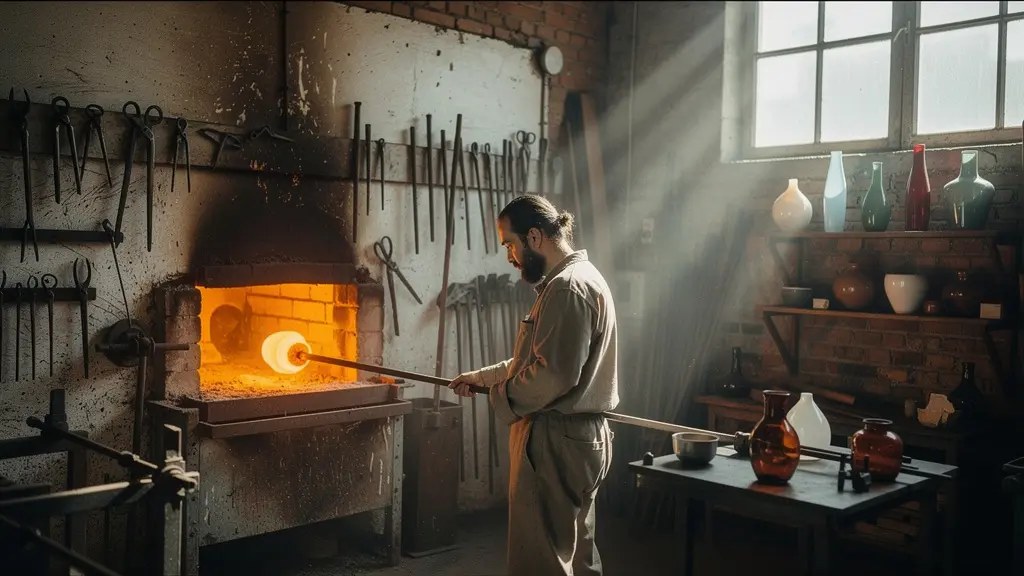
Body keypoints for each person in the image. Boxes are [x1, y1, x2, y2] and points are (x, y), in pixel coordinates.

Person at [449, 195, 619, 576]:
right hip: (582, 438)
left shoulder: (566, 289)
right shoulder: (584, 277)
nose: (509, 256)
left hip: (555, 441)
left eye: (510, 244)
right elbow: (535, 363)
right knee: (578, 557)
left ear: (535, 237)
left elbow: (552, 377)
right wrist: (482, 378)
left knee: (542, 563)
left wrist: (499, 395)